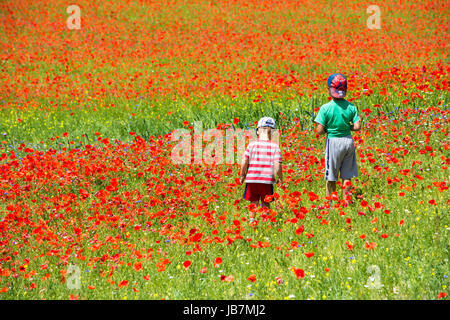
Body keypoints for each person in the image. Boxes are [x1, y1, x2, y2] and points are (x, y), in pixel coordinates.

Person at [314, 73, 361, 201]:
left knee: (331, 176)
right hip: (348, 141)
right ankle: (347, 201)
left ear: (329, 89)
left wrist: (327, 129)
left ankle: (330, 203)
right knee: (346, 175)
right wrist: (347, 127)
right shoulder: (351, 107)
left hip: (333, 142)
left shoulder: (325, 108)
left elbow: (319, 130)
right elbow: (357, 127)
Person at [239, 117, 283, 209]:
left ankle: (252, 221)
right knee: (266, 202)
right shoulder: (275, 147)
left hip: (252, 179)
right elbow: (277, 164)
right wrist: (280, 177)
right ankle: (266, 219)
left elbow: (244, 161)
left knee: (253, 202)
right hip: (267, 180)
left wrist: (242, 174)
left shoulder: (251, 145)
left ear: (257, 132)